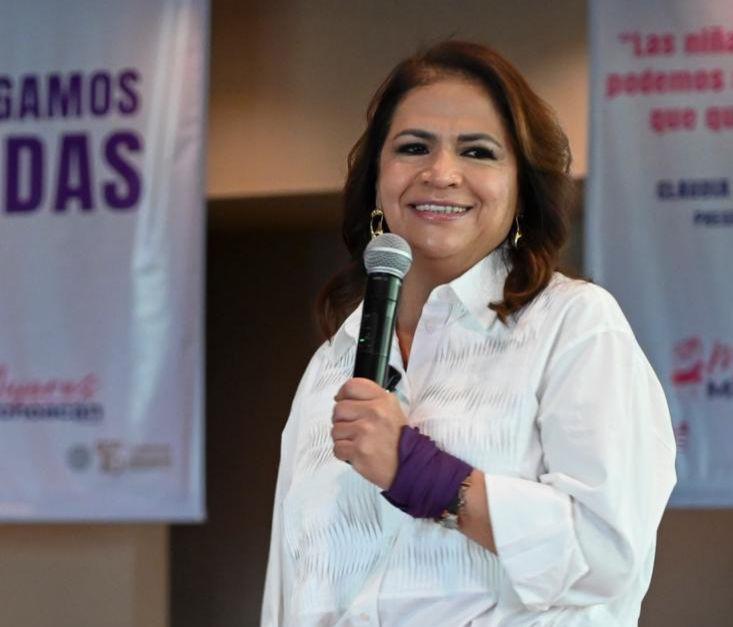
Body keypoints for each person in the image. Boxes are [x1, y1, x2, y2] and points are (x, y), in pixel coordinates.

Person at [261, 40, 676, 626]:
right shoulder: (332, 363)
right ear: (377, 181)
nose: (441, 173)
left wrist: (419, 472)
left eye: (478, 152)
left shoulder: (574, 325)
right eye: (413, 148)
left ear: (522, 191)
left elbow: (608, 554)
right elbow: (289, 585)